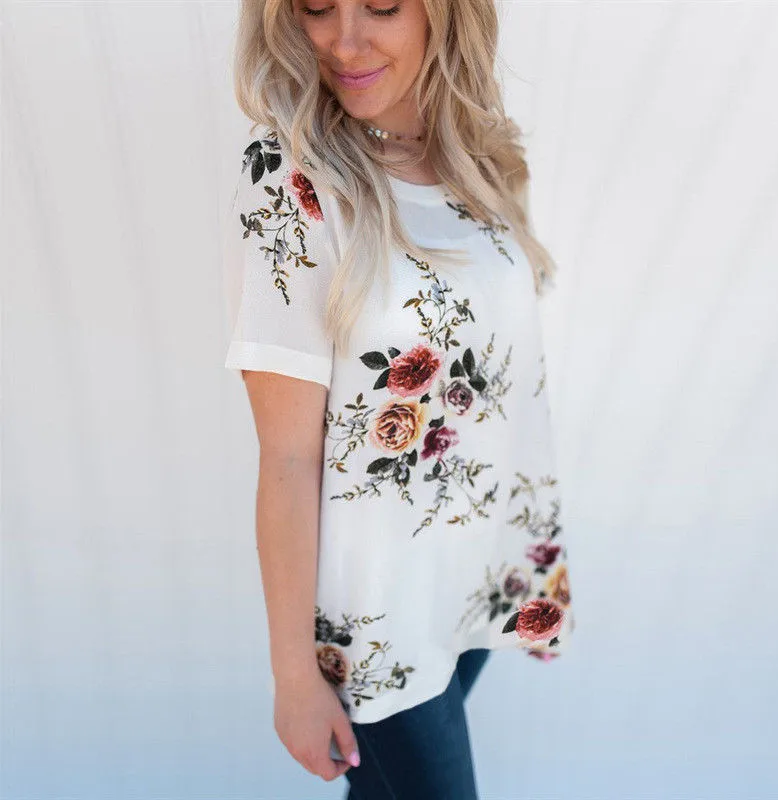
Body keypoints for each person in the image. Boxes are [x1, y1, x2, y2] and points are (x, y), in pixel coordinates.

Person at [222, 1, 577, 797]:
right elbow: (288, 455)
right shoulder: (289, 177)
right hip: (374, 617)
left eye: (381, 4)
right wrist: (293, 675)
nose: (344, 41)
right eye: (317, 7)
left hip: (471, 575)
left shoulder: (479, 159)